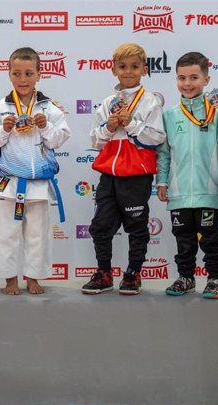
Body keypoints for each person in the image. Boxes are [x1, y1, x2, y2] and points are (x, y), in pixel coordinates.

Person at [0, 47, 70, 295]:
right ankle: (9, 279)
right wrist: (3, 130)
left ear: (39, 74)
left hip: (39, 183)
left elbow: (60, 139)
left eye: (29, 73)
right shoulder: (0, 108)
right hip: (9, 182)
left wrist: (46, 126)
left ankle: (33, 278)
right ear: (9, 75)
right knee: (4, 234)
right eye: (17, 73)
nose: (23, 79)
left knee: (38, 235)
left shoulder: (49, 107)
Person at [81, 42, 166, 295]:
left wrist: (131, 124)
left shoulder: (150, 102)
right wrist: (109, 126)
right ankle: (104, 273)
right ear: (113, 69)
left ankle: (133, 273)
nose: (128, 71)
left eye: (134, 66)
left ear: (144, 69)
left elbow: (157, 138)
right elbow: (94, 141)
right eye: (122, 66)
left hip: (136, 175)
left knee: (136, 226)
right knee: (100, 225)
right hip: (108, 174)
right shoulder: (108, 102)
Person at [156, 52, 218, 299]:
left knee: (212, 239)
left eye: (194, 77)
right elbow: (164, 153)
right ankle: (186, 277)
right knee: (183, 240)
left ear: (206, 79)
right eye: (182, 78)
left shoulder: (216, 110)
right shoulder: (170, 115)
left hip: (208, 189)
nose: (187, 83)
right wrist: (161, 180)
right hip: (179, 192)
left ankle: (214, 279)